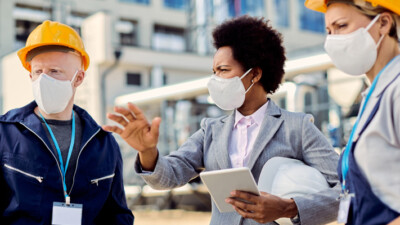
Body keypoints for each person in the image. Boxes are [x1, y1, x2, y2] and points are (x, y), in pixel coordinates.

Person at [104, 16, 340, 225]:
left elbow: (344, 191)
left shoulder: (296, 127)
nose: (215, 79)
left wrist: (290, 207)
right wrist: (148, 151)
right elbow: (169, 176)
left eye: (224, 70)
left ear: (255, 74)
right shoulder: (211, 131)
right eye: (214, 71)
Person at [0, 20, 134, 224]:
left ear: (78, 78)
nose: (43, 80)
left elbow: (117, 214)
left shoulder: (104, 144)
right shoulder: (5, 133)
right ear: (30, 75)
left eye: (54, 71)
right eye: (37, 72)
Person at [305, 0, 400, 224]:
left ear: (384, 23)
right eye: (329, 31)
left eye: (341, 26)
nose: (333, 40)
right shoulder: (374, 94)